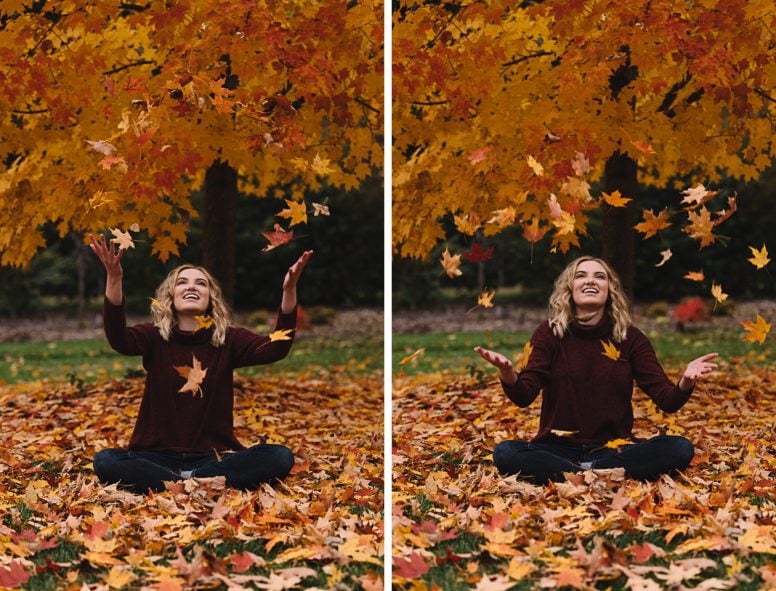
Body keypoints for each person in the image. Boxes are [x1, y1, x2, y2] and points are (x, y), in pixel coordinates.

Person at [89, 232, 313, 494]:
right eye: (182, 282)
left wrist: (289, 291)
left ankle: (181, 483)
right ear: (171, 295)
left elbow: (276, 348)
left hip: (213, 458)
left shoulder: (228, 339)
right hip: (154, 457)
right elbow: (119, 339)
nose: (191, 287)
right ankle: (197, 484)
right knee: (105, 460)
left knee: (279, 456)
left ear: (211, 297)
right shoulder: (154, 336)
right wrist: (114, 278)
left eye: (201, 283)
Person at [475, 256, 718, 484]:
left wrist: (686, 381)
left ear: (609, 290)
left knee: (679, 448)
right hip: (556, 448)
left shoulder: (630, 338)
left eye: (599, 276)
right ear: (569, 288)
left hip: (613, 449)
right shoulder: (549, 333)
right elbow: (524, 395)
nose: (590, 280)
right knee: (506, 452)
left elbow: (667, 400)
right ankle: (595, 474)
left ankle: (582, 473)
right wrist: (507, 373)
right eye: (581, 275)